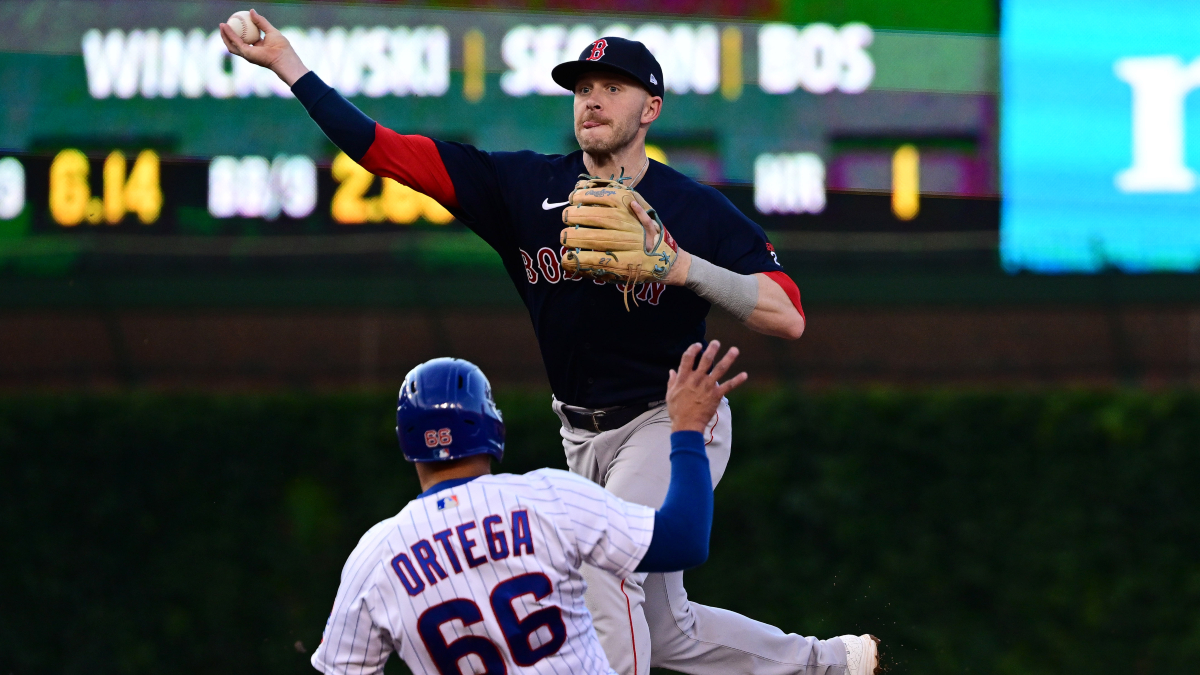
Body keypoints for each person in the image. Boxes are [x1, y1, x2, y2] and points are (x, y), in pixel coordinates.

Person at [222, 12, 877, 675]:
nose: (591, 98)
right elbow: (385, 149)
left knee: (603, 573)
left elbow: (787, 312)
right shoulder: (523, 187)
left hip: (669, 418)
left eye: (612, 86)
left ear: (651, 107)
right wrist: (289, 67)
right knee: (665, 627)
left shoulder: (692, 208)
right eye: (582, 86)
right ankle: (834, 663)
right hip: (579, 434)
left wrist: (680, 266)